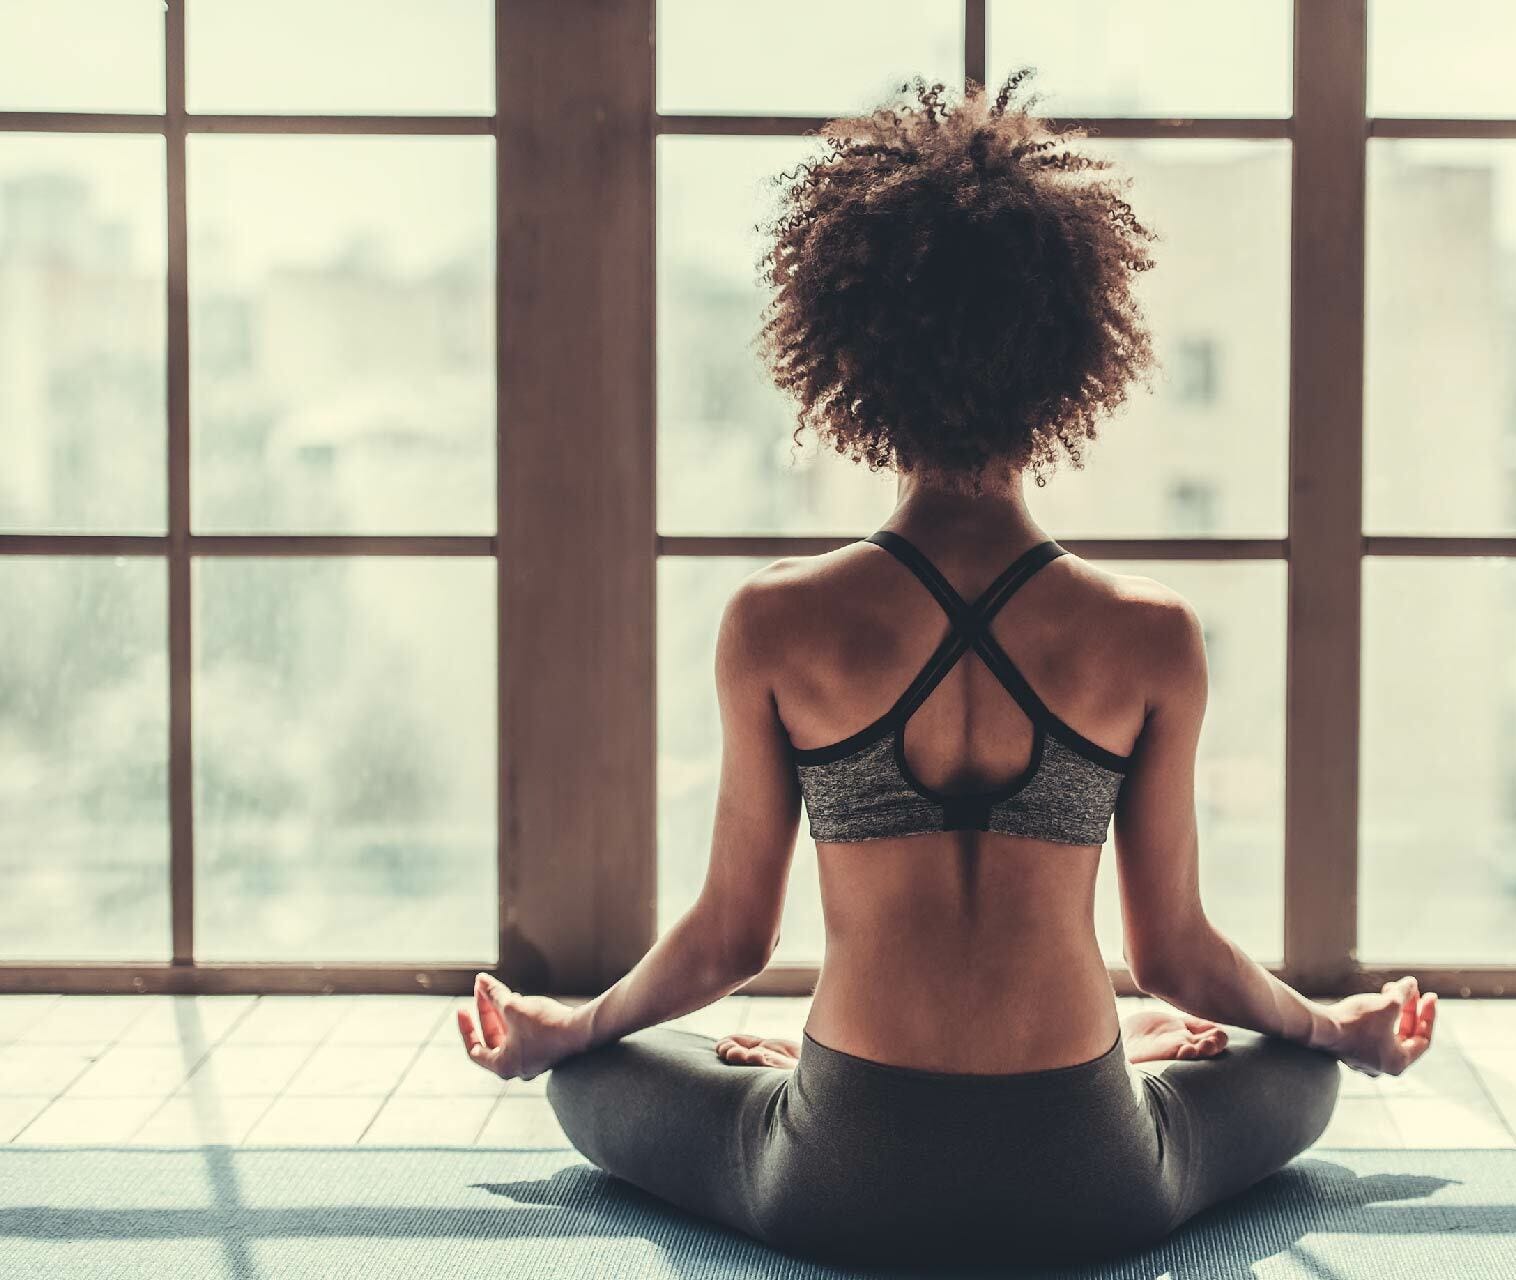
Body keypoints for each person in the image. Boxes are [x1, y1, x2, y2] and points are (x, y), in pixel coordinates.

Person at [455, 70, 1438, 1268]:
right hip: (1092, 1178)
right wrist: (1333, 1022)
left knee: (594, 1073)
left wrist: (572, 1023)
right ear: (1072, 356)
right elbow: (1173, 953)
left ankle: (801, 1081)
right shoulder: (1151, 633)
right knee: (1298, 1068)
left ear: (852, 355)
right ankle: (1144, 1062)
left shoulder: (776, 620)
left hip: (837, 1176)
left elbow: (729, 943)